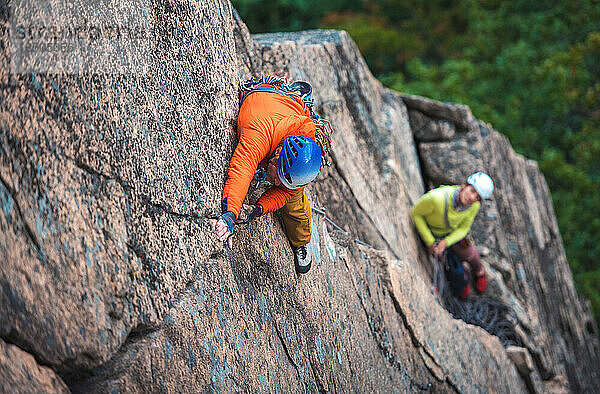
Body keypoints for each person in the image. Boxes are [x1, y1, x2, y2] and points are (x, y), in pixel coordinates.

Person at [215, 79, 323, 274]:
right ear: (276, 155)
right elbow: (242, 169)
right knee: (253, 169)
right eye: (277, 178)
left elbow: (287, 193)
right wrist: (230, 214)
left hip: (287, 107)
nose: (276, 184)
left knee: (296, 202)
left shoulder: (306, 143)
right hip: (264, 110)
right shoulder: (258, 135)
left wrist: (258, 209)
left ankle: (301, 241)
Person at [410, 172, 494, 299]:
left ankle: (479, 272)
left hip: (449, 236)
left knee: (472, 254)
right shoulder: (436, 198)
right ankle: (462, 283)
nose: (472, 198)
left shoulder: (473, 206)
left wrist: (446, 242)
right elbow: (416, 213)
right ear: (464, 185)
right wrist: (430, 241)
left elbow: (464, 228)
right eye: (472, 191)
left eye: (477, 197)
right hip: (433, 234)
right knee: (451, 268)